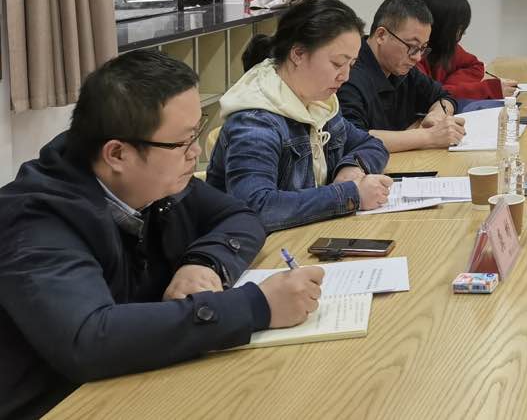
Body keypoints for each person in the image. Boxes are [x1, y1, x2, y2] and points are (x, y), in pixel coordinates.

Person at [0, 52, 324, 420]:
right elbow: (88, 340)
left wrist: (204, 262)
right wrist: (255, 307)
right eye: (182, 142)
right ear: (117, 154)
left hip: (134, 383)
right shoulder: (35, 221)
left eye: (197, 133)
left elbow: (240, 216)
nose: (196, 152)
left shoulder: (153, 182)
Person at [207, 0, 393, 230]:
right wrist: (351, 194)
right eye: (338, 64)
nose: (345, 76)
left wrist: (352, 168)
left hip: (307, 233)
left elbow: (371, 144)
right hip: (265, 248)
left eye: (352, 64)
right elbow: (256, 208)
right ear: (298, 53)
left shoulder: (318, 104)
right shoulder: (255, 123)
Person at [338, 0, 468, 152]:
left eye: (422, 48)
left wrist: (437, 115)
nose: (417, 57)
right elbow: (351, 138)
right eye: (412, 46)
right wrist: (428, 137)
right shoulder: (348, 75)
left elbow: (444, 97)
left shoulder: (402, 69)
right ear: (381, 35)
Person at [418, 0, 517, 105]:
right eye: (459, 28)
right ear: (444, 29)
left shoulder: (446, 48)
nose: (463, 33)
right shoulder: (414, 55)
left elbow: (475, 66)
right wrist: (488, 89)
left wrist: (449, 88)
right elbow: (429, 96)